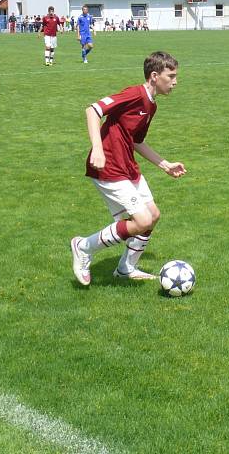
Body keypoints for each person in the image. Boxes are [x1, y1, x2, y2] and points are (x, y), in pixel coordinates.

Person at [70, 51, 187, 286]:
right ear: (155, 76)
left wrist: (165, 165)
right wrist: (98, 148)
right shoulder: (134, 94)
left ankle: (126, 268)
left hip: (127, 166)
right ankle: (83, 247)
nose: (175, 82)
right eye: (171, 76)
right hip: (109, 167)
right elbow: (92, 110)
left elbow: (136, 141)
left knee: (153, 215)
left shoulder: (151, 106)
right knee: (142, 221)